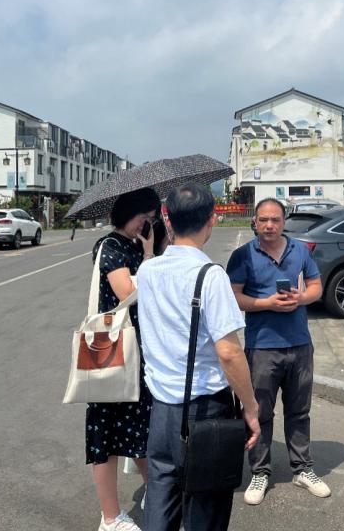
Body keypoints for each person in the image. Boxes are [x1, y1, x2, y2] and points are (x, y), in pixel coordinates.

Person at [137, 183, 260, 531]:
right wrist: (251, 408)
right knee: (206, 508)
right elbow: (229, 352)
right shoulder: (210, 276)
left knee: (161, 500)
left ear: (167, 220)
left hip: (162, 409)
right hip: (204, 408)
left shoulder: (147, 271)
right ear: (212, 219)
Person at [226, 198, 331, 506]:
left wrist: (301, 298)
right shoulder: (243, 255)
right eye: (263, 220)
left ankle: (303, 468)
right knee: (260, 411)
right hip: (262, 346)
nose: (269, 225)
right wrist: (266, 304)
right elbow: (233, 297)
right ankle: (260, 471)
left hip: (299, 343)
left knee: (299, 410)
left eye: (275, 220)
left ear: (284, 221)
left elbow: (316, 286)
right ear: (255, 222)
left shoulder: (300, 250)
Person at [87, 187, 166, 531]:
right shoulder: (111, 247)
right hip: (110, 348)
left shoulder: (135, 245)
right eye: (142, 218)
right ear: (126, 213)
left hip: (136, 349)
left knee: (139, 425)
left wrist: (153, 248)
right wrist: (149, 255)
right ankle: (110, 517)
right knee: (105, 432)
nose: (145, 225)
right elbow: (127, 293)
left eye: (151, 219)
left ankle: (156, 490)